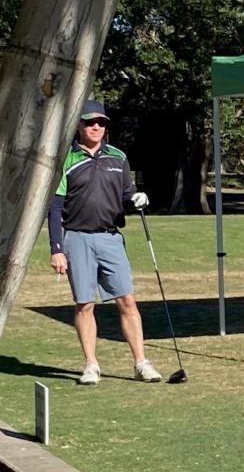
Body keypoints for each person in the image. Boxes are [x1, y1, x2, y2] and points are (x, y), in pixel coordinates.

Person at [48, 100, 162, 385]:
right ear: (79, 126)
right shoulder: (67, 159)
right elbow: (55, 206)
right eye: (89, 122)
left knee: (127, 300)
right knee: (85, 304)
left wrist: (137, 198)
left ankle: (141, 362)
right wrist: (56, 248)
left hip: (111, 237)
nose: (96, 127)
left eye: (101, 122)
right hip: (76, 237)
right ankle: (91, 365)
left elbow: (127, 191)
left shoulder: (118, 157)